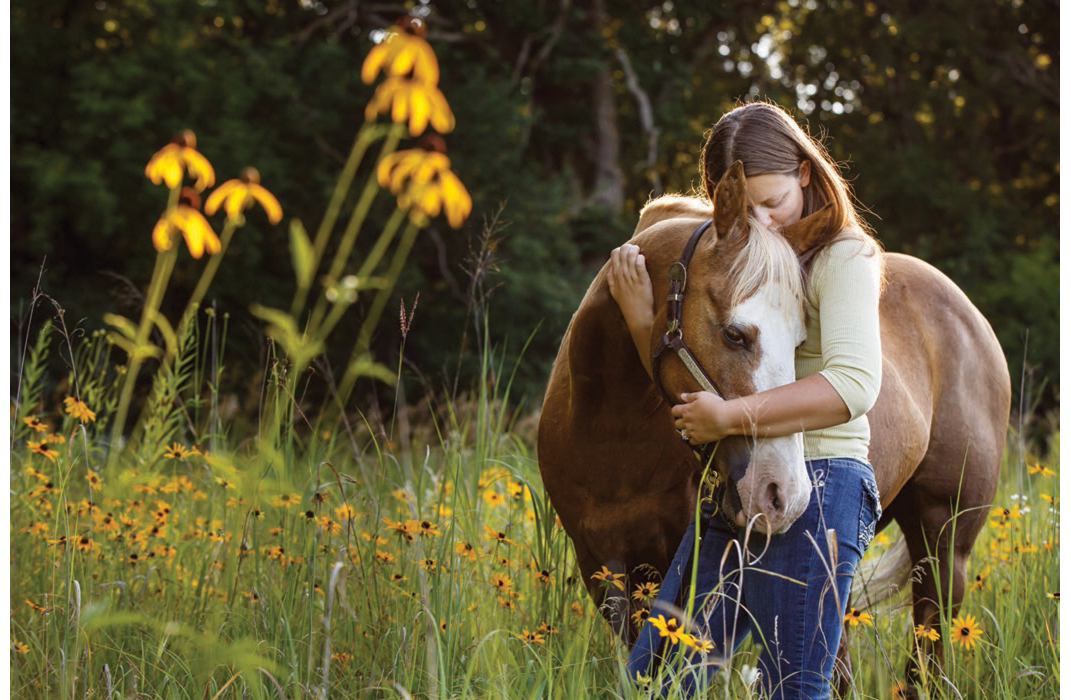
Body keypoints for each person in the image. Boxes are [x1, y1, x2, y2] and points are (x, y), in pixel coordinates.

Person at [607, 101, 884, 699]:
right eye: (744, 207)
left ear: (805, 174)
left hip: (822, 474)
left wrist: (730, 417)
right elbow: (701, 380)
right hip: (737, 474)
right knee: (658, 680)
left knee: (787, 687)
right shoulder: (753, 258)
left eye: (773, 202)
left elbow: (856, 384)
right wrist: (640, 324)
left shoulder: (843, 256)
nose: (761, 220)